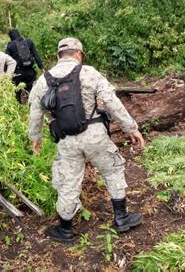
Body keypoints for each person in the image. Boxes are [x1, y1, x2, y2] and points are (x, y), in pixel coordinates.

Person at [28, 37, 145, 243]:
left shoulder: (44, 80)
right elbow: (111, 102)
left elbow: (35, 113)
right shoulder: (90, 72)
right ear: (79, 54)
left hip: (66, 140)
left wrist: (35, 138)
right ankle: (121, 218)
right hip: (95, 135)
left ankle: (65, 230)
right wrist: (131, 128)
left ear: (58, 56)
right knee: (112, 170)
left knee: (68, 182)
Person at [5, 29, 44, 103]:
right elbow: (36, 55)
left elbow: (7, 60)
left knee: (17, 92)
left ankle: (19, 106)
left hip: (18, 74)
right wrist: (41, 68)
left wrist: (7, 74)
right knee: (31, 90)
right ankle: (32, 105)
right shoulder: (29, 41)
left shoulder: (10, 46)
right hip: (30, 71)